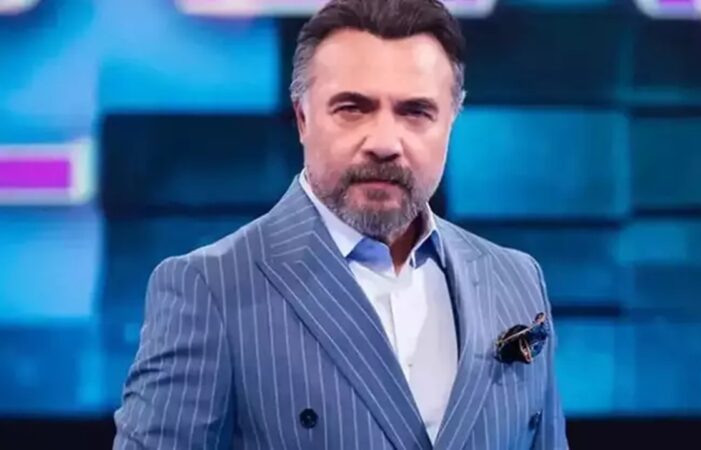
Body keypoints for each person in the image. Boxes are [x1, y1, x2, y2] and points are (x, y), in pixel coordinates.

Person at [112, 0, 569, 448]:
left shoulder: (516, 279)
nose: (384, 142)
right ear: (303, 118)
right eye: (353, 108)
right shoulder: (209, 289)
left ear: (450, 121)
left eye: (415, 112)